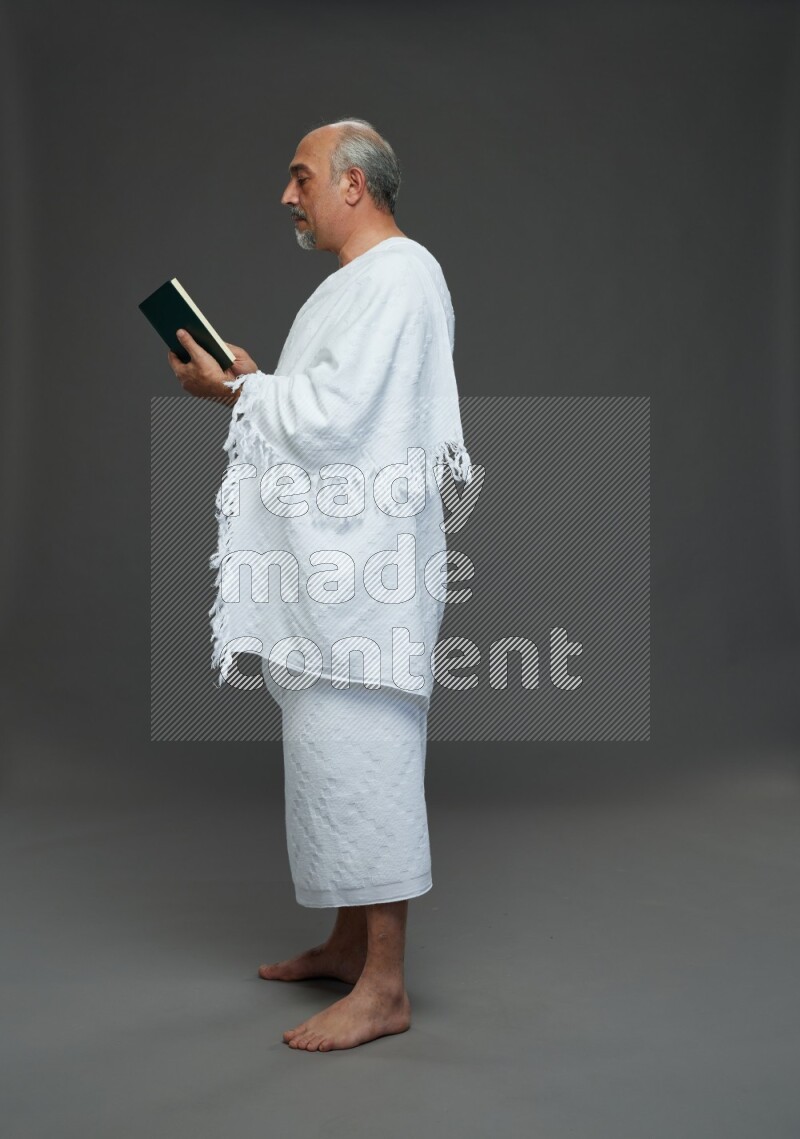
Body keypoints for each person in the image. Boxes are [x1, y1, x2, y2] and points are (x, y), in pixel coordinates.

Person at [167, 119, 473, 1051]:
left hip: (365, 581)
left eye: (301, 178)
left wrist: (237, 393)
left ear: (352, 184)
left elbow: (342, 423)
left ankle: (385, 987)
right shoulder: (351, 285)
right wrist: (256, 379)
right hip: (325, 577)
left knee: (369, 765)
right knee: (330, 765)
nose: (287, 197)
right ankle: (348, 946)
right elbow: (325, 409)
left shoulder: (401, 275)